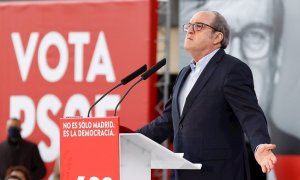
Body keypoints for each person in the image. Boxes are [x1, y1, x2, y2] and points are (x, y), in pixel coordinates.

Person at [137, 11, 276, 180]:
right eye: (189, 26)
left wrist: (260, 145)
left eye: (199, 26)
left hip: (218, 173)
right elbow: (167, 121)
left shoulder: (232, 69)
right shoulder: (184, 73)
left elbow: (251, 115)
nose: (190, 30)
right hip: (183, 172)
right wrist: (127, 140)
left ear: (217, 37)